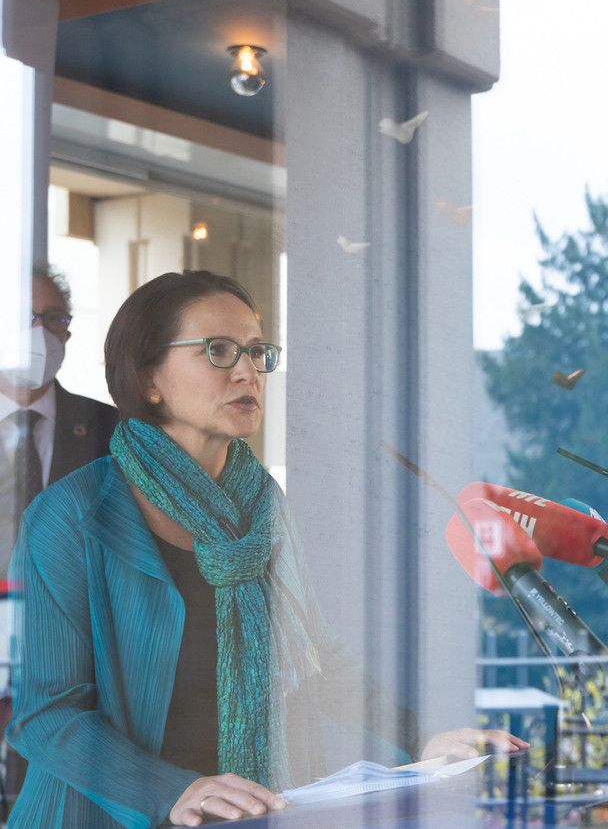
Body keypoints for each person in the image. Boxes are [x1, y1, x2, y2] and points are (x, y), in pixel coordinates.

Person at [6, 271, 525, 828]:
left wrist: (421, 739)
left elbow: (319, 659)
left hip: (251, 815)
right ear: (149, 375)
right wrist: (174, 791)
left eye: (257, 353)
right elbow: (48, 712)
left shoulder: (263, 505)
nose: (247, 371)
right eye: (220, 351)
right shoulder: (73, 515)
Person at [1, 267, 118, 573]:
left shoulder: (109, 428)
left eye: (53, 318)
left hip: (73, 614)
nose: (38, 330)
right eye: (23, 316)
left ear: (66, 334)